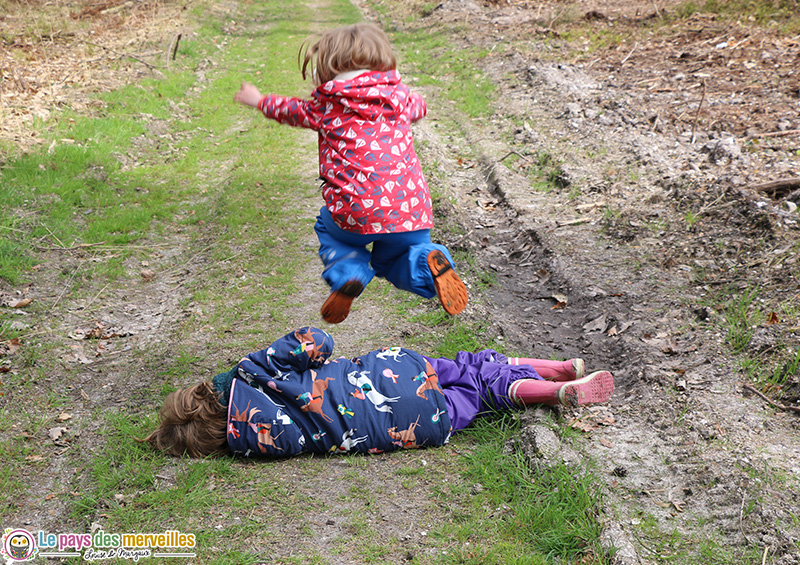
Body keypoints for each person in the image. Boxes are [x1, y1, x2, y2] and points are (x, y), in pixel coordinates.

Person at [233, 22, 468, 324]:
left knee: (328, 228)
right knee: (395, 258)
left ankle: (349, 272)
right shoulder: (400, 97)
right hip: (411, 211)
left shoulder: (329, 103)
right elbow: (420, 107)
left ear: (329, 65)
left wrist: (260, 100)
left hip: (354, 213)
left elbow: (292, 111)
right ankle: (427, 262)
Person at [143, 327, 615, 458]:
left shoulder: (254, 446)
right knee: (473, 367)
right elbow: (317, 341)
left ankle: (552, 385)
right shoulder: (251, 374)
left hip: (413, 427)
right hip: (395, 372)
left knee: (482, 395)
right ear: (206, 394)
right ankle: (554, 379)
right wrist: (237, 374)